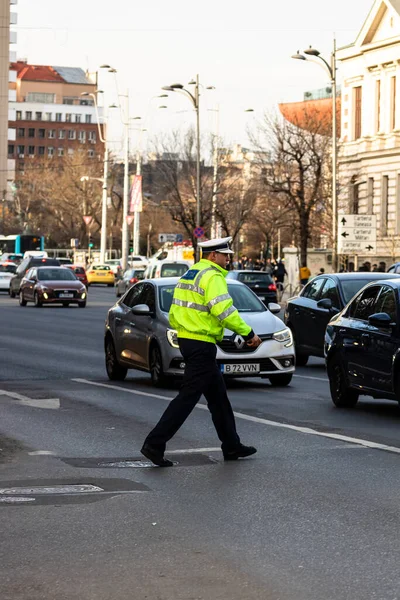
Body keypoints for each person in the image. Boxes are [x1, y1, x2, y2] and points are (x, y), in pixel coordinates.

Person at [141, 236, 262, 467]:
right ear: (213, 256)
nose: (229, 258)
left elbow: (175, 312)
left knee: (218, 398)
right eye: (226, 254)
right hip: (201, 344)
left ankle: (232, 445)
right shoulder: (213, 276)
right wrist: (248, 334)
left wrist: (187, 330)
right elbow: (224, 310)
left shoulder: (190, 274)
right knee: (187, 397)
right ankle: (154, 444)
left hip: (188, 340)